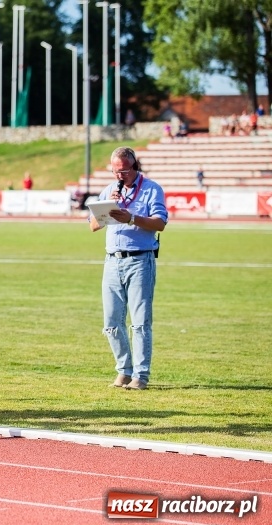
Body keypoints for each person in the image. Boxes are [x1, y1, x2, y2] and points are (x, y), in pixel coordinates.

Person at [88, 146, 168, 391]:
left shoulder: (152, 189)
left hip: (140, 260)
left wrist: (130, 218)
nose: (119, 176)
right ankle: (124, 370)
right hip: (112, 261)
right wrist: (104, 212)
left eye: (123, 171)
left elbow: (160, 223)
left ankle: (140, 376)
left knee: (140, 322)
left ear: (135, 167)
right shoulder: (109, 190)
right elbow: (92, 226)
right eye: (115, 171)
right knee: (111, 321)